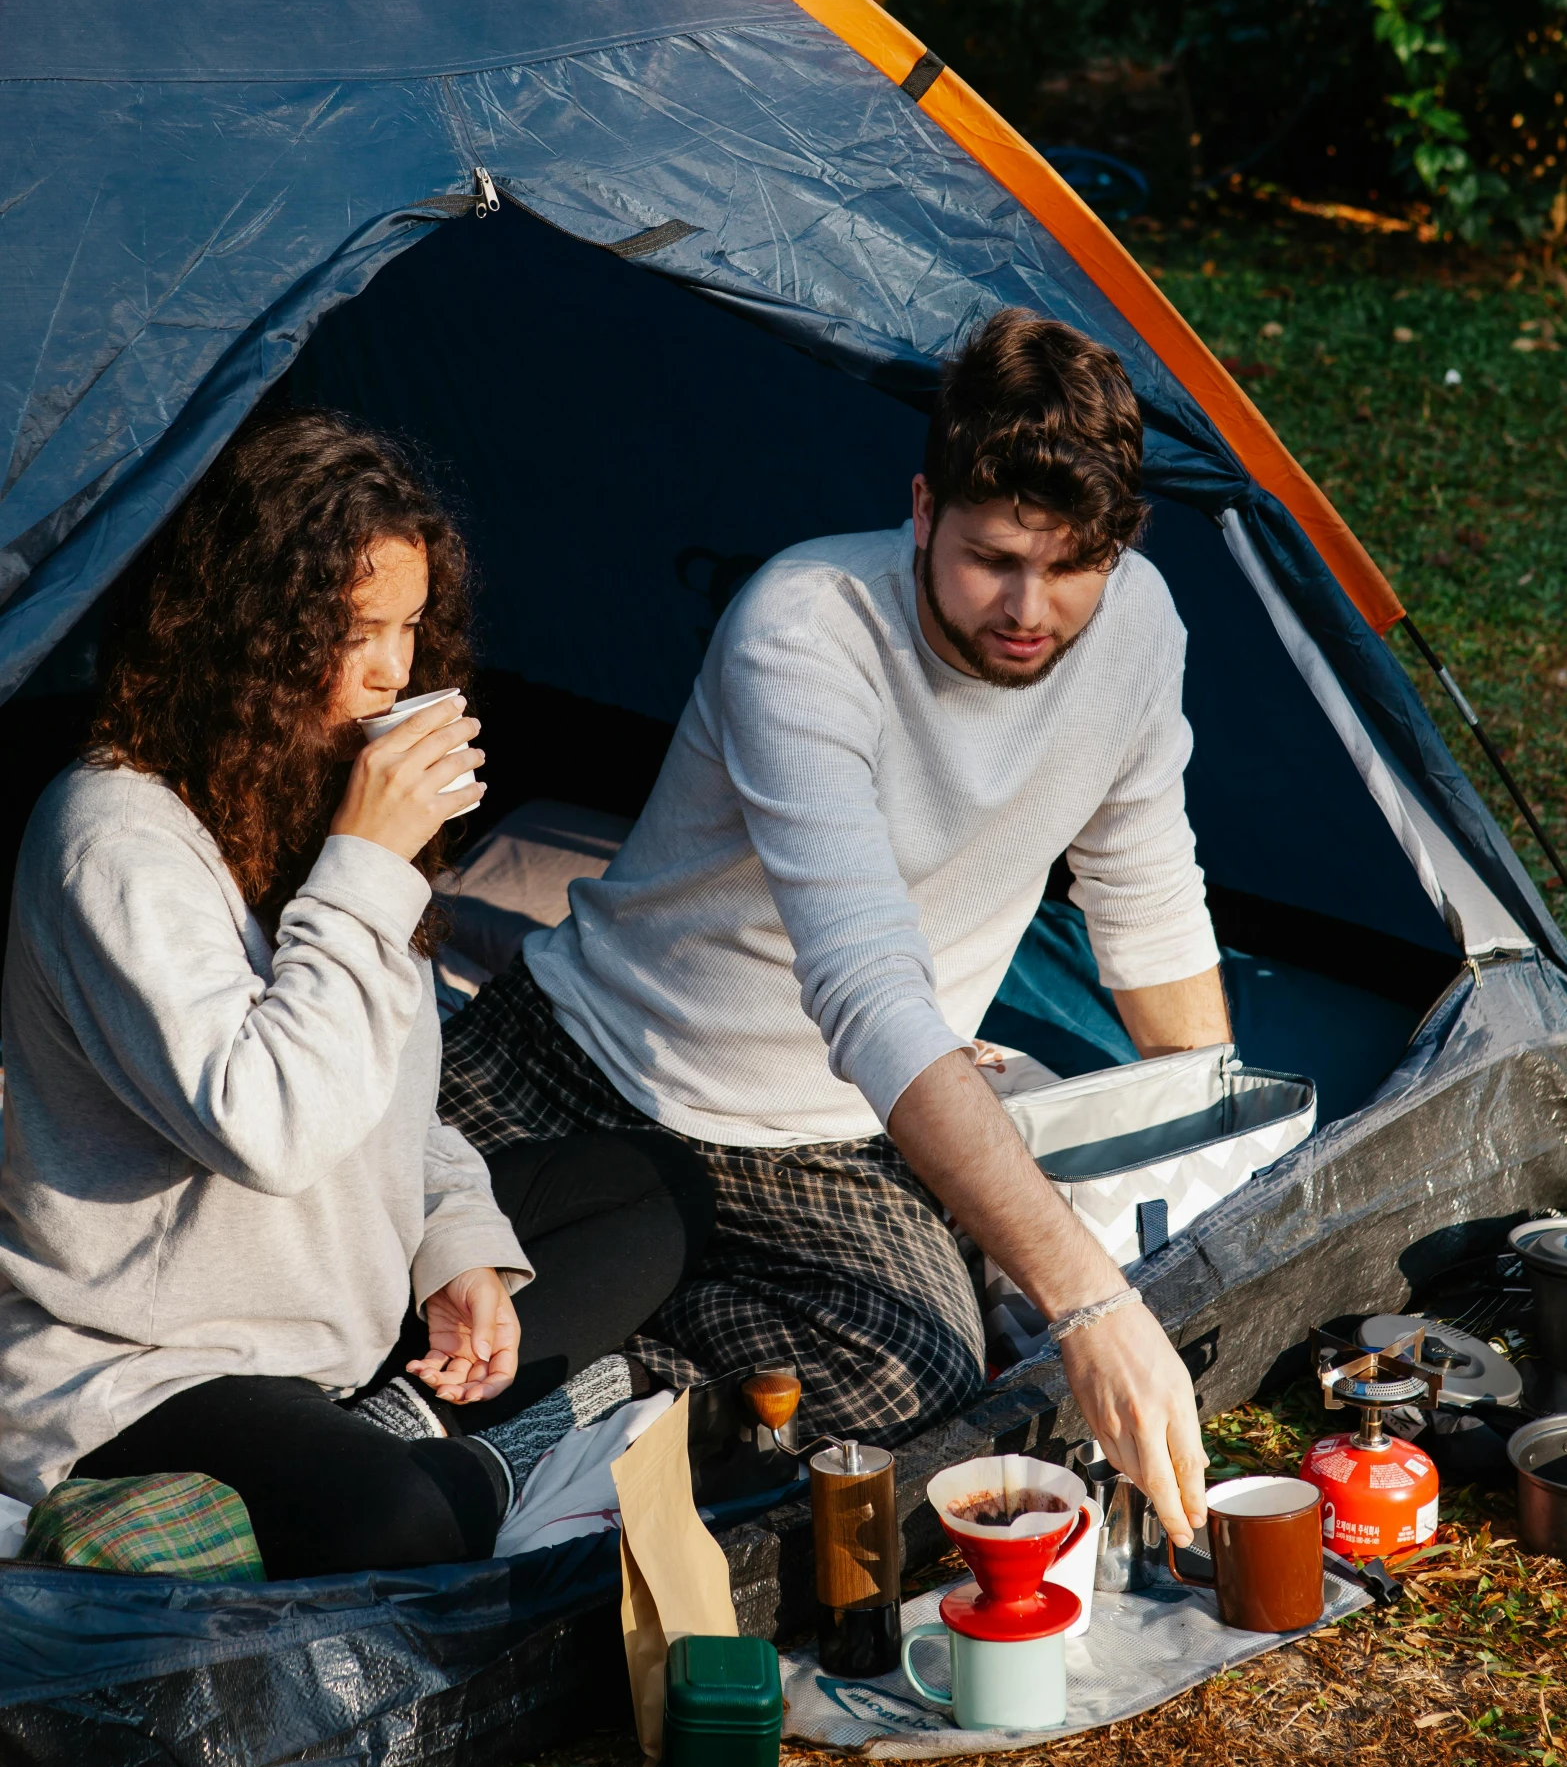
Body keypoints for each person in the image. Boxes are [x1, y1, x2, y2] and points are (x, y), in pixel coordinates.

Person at [439, 311, 1223, 1546]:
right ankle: (593, 1357)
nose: (1030, 607)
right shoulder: (804, 625)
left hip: (823, 1142)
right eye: (990, 558)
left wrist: (1220, 1184)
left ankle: (595, 1369)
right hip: (597, 1063)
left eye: (1072, 564)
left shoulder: (1138, 632)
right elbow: (864, 983)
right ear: (921, 507)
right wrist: (1087, 1306)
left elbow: (1149, 897)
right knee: (335, 1266)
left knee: (918, 1382)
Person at [0, 411, 710, 1579]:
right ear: (245, 634)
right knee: (397, 1528)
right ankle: (479, 1457)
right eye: (354, 631)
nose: (393, 670)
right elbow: (268, 1126)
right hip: (151, 1357)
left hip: (339, 1318)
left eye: (411, 628)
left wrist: (458, 1247)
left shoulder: (310, 800)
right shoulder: (113, 837)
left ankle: (421, 1431)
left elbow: (397, 1096)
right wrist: (369, 864)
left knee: (649, 1189)